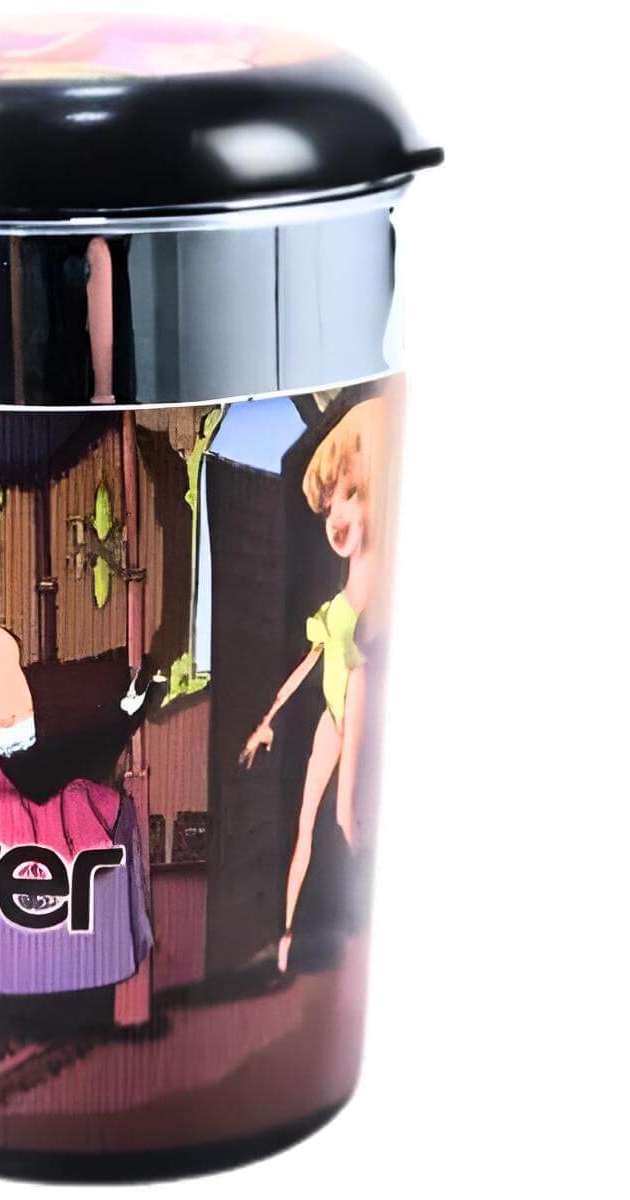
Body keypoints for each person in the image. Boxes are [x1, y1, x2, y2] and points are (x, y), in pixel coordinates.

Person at [239, 401, 380, 973]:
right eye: (331, 504)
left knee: (349, 816)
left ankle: (359, 931)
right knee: (306, 824)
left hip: (360, 707)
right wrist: (266, 720)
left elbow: (362, 668)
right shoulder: (339, 603)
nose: (337, 517)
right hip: (334, 713)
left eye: (354, 494)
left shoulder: (380, 597)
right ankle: (288, 938)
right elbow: (309, 664)